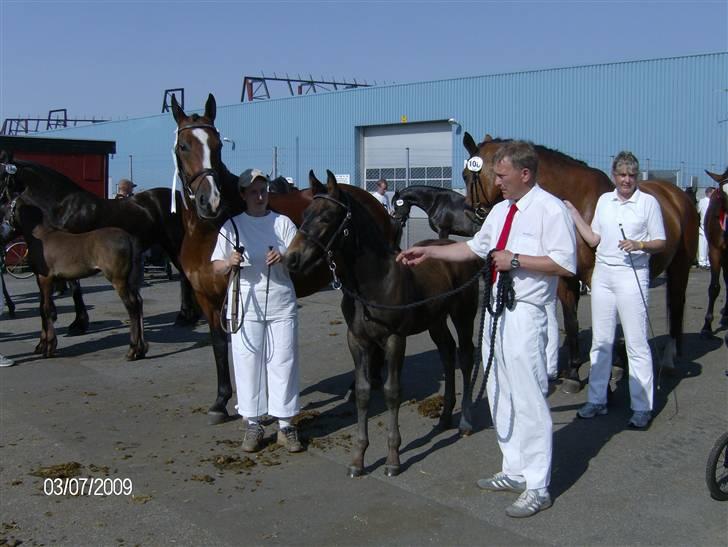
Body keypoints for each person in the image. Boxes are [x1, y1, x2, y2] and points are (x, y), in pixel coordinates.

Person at [397, 141, 576, 518]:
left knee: (528, 398)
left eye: (501, 175)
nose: (495, 182)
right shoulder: (500, 212)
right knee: (499, 392)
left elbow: (565, 264)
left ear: (524, 174)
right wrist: (428, 251)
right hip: (496, 312)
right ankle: (513, 469)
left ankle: (538, 485)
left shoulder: (550, 210)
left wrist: (517, 259)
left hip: (527, 314)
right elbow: (473, 250)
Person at [565, 151, 666, 429]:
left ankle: (642, 406)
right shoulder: (604, 201)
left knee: (636, 343)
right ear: (614, 176)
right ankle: (597, 400)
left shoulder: (647, 203)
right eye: (622, 175)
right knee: (601, 340)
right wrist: (574, 214)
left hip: (632, 275)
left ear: (637, 176)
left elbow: (661, 241)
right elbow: (595, 238)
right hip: (604, 275)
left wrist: (640, 245)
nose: (626, 180)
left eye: (631, 175)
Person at [211, 168, 303, 453]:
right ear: (243, 195)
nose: (260, 196)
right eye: (253, 191)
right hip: (245, 305)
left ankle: (286, 425)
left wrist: (285, 255)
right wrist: (230, 263)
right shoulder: (231, 226)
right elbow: (216, 265)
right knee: (248, 363)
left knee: (283, 361)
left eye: (263, 190)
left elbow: (300, 255)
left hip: (280, 303)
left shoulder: (283, 223)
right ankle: (253, 422)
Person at [697, 187, 714, 269]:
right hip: (703, 226)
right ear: (708, 193)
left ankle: (708, 261)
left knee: (709, 245)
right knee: (702, 244)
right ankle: (702, 261)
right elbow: (698, 211)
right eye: (712, 192)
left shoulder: (714, 201)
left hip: (712, 226)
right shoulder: (702, 201)